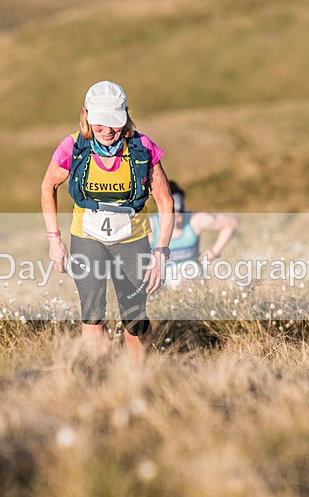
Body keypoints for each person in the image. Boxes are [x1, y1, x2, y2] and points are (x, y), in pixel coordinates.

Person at [40, 80, 174, 363]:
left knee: (134, 318)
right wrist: (55, 241)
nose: (107, 130)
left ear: (125, 117)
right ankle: (100, 376)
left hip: (132, 242)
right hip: (87, 240)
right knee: (92, 316)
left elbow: (165, 202)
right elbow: (47, 186)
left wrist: (161, 252)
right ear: (86, 115)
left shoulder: (142, 148)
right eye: (100, 122)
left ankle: (137, 375)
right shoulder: (72, 147)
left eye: (113, 122)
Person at [149, 180, 238, 288]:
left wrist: (214, 252)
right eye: (170, 218)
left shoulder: (194, 220)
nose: (175, 223)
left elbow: (231, 223)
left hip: (193, 283)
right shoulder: (151, 226)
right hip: (165, 286)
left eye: (179, 216)